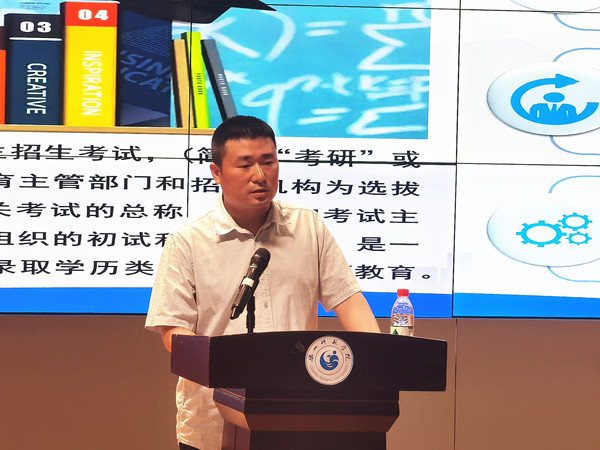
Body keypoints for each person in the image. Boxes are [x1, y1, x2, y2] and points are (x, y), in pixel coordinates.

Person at [145, 115, 380, 450]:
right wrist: (228, 362)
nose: (260, 175)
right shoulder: (188, 241)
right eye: (245, 165)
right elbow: (173, 331)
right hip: (212, 424)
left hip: (295, 419)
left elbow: (349, 301)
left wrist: (380, 362)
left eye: (268, 162)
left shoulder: (308, 227)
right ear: (216, 173)